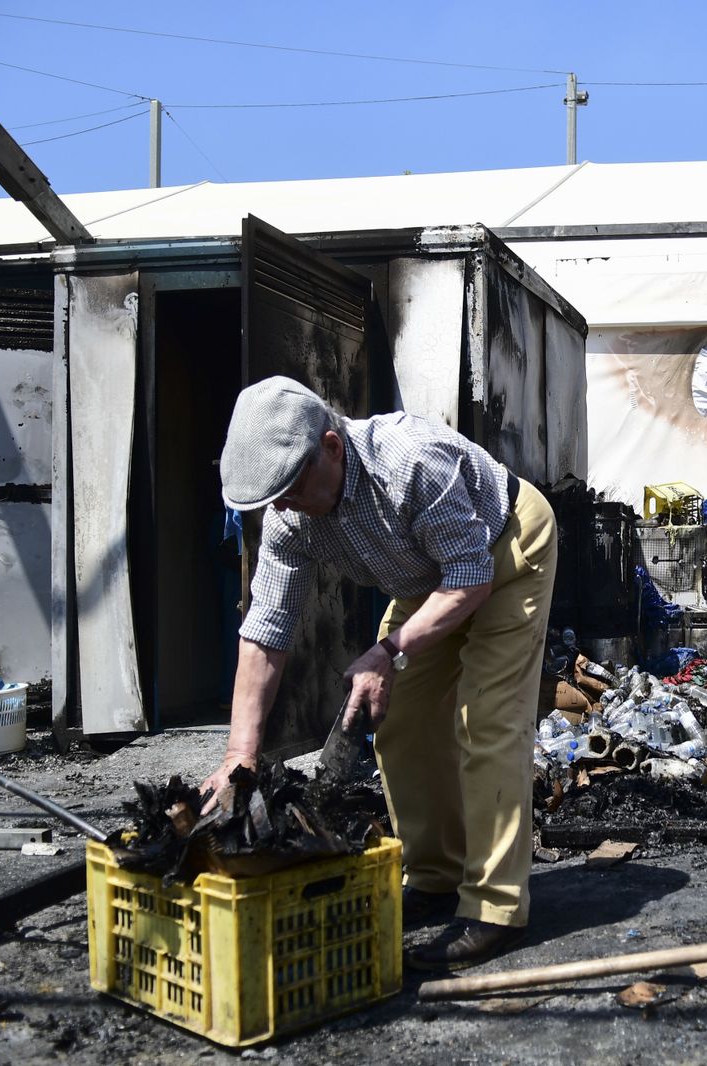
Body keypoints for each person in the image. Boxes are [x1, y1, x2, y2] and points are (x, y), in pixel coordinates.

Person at [201, 376, 556, 972]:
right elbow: (266, 629)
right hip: (427, 580)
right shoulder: (289, 519)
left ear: (332, 448)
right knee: (400, 722)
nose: (282, 508)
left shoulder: (411, 462)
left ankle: (495, 909)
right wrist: (241, 756)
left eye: (290, 490)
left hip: (505, 553)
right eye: (273, 499)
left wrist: (386, 651)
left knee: (487, 721)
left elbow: (471, 578)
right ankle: (437, 877)